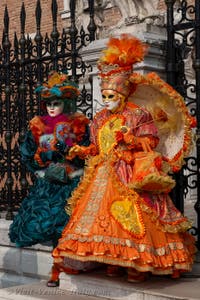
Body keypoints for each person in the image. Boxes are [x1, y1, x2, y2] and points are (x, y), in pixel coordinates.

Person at [50, 35, 196, 285]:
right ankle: (111, 261)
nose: (107, 102)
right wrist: (81, 152)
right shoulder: (99, 119)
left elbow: (151, 142)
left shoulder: (138, 115)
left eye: (111, 96)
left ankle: (137, 265)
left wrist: (130, 139)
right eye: (104, 96)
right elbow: (96, 147)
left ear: (124, 93)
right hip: (101, 175)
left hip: (128, 172)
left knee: (132, 218)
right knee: (99, 221)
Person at [9, 71, 90, 251]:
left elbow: (89, 153)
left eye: (56, 103)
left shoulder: (79, 126)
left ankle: (64, 266)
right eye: (48, 104)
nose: (51, 108)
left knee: (69, 226)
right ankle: (56, 266)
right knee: (45, 223)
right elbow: (27, 154)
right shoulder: (38, 126)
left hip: (72, 183)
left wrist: (69, 152)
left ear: (66, 103)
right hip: (48, 183)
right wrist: (45, 157)